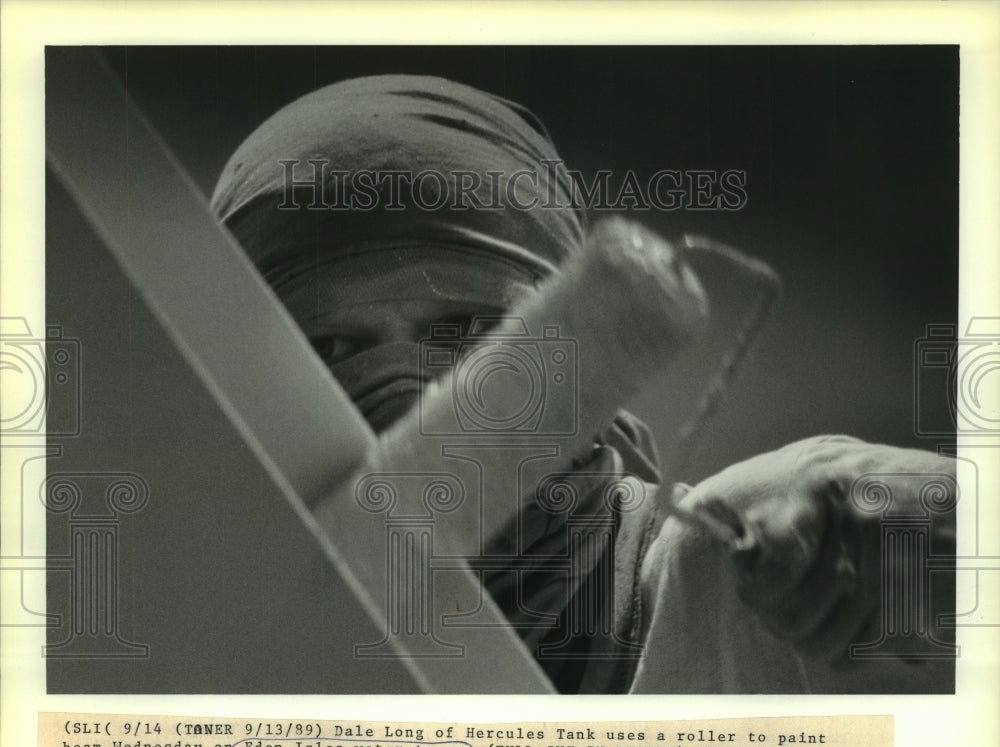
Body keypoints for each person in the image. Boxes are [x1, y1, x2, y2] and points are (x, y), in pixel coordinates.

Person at [210, 74, 956, 694]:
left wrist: (912, 535)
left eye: (473, 331)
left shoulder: (723, 603)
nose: (407, 392)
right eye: (329, 345)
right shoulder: (191, 627)